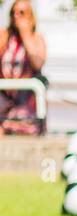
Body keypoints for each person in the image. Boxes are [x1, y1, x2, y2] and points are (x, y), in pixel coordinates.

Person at [0, 0, 44, 135]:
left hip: (26, 103)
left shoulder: (37, 38)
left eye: (22, 13)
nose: (17, 16)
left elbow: (38, 63)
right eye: (14, 13)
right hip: (4, 99)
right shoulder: (4, 36)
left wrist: (25, 35)